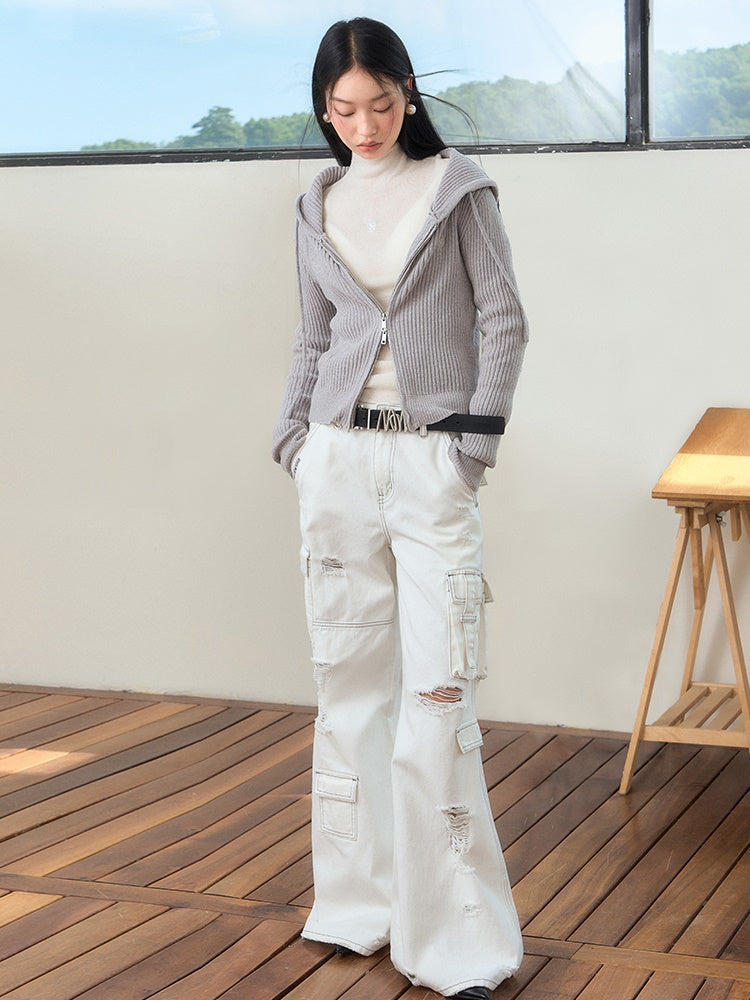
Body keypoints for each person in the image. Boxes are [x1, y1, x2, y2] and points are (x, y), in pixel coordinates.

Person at [272, 17, 528, 1000]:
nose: (365, 125)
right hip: (337, 461)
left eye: (380, 104)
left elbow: (505, 317)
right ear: (325, 109)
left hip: (430, 463)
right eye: (344, 110)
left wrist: (472, 445)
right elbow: (312, 337)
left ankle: (455, 942)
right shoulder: (316, 202)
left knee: (437, 699)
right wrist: (295, 441)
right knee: (347, 692)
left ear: (407, 94)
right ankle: (358, 907)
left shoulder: (459, 188)